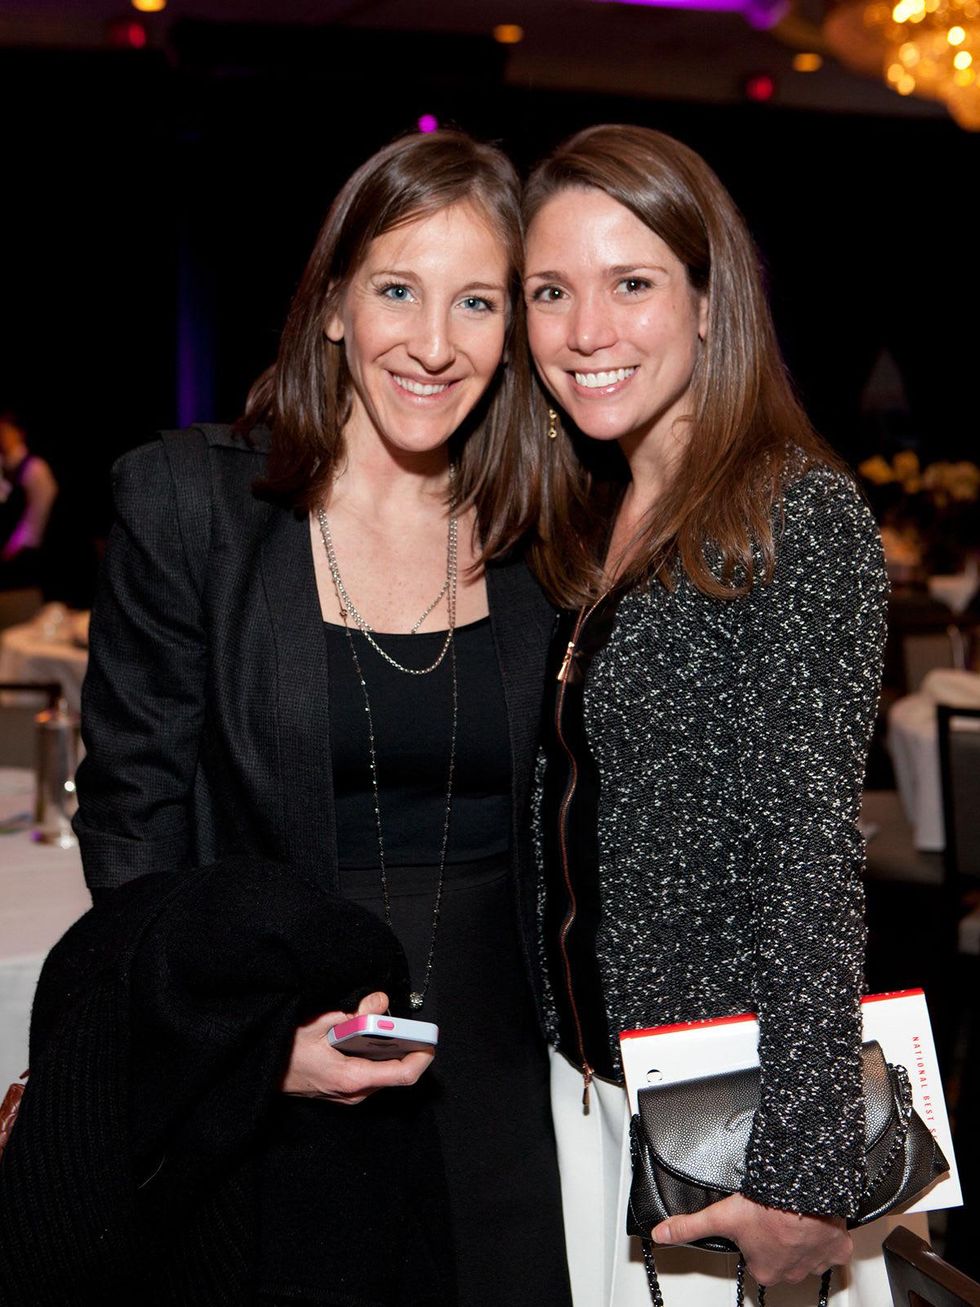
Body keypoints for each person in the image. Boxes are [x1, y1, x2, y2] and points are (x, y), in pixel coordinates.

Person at [56, 130, 571, 1305]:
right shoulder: (191, 502)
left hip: (507, 1094)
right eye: (397, 289)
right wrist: (248, 1048)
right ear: (334, 301)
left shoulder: (553, 532)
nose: (433, 344)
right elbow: (133, 821)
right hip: (273, 1085)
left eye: (477, 301)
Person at [522, 125, 891, 1306]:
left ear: (704, 298)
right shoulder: (601, 512)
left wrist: (801, 1170)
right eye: (549, 291)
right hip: (599, 1099)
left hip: (733, 1143)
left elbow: (809, 855)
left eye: (630, 283)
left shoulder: (795, 515)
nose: (585, 331)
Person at [0, 409, 58, 590]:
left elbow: (37, 515)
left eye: (6, 431)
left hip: (26, 554)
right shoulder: (3, 467)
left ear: (19, 433)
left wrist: (15, 547)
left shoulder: (34, 468)